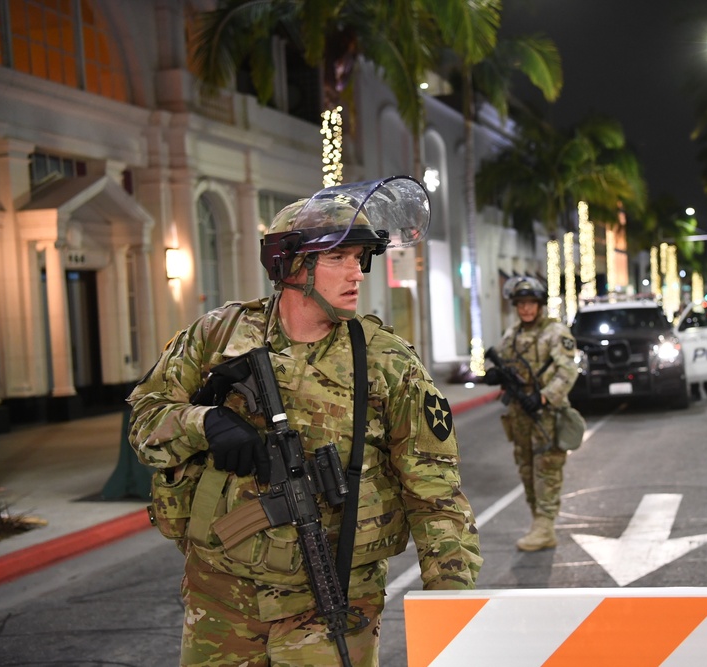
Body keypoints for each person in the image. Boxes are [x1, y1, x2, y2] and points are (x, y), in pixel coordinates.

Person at [127, 177, 482, 666]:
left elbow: (436, 493)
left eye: (360, 259)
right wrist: (203, 423)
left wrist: (452, 605)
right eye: (338, 258)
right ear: (292, 263)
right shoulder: (218, 335)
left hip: (334, 598)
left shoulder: (386, 362)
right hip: (220, 595)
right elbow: (145, 420)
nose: (357, 274)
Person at [483, 276, 578, 551]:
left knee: (546, 468)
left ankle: (545, 525)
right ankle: (538, 521)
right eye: (521, 304)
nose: (526, 309)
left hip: (545, 413)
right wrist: (494, 376)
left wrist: (544, 396)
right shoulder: (512, 334)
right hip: (519, 413)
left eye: (531, 303)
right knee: (526, 468)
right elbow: (504, 362)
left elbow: (568, 371)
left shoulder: (555, 332)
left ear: (540, 305)